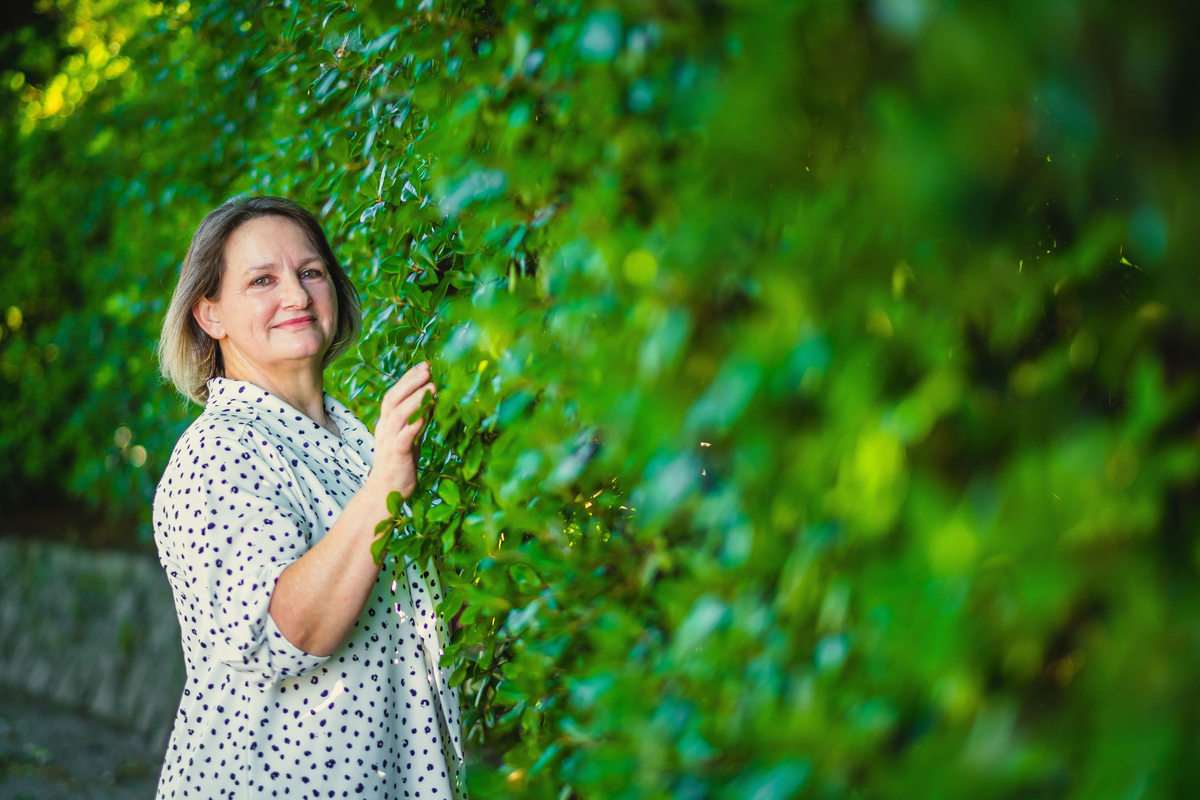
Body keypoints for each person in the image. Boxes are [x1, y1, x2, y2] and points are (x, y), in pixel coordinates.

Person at [153, 196, 465, 799]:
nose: (296, 295)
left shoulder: (349, 441)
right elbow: (285, 633)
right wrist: (385, 487)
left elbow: (382, 611)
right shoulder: (218, 451)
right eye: (262, 280)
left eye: (311, 272)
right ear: (209, 314)